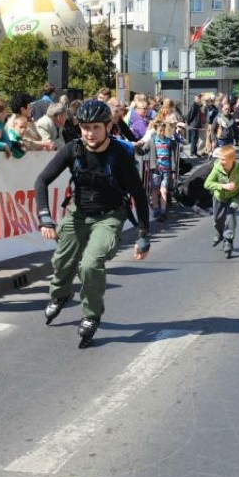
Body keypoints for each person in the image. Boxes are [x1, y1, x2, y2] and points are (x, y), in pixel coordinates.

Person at [33, 100, 151, 348]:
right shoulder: (73, 149)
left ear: (108, 126)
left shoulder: (120, 155)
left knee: (89, 264)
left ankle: (90, 315)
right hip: (77, 213)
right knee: (62, 262)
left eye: (96, 127)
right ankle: (61, 294)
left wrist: (143, 233)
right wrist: (45, 216)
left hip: (108, 216)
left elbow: (139, 195)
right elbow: (41, 181)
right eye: (85, 127)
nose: (90, 133)